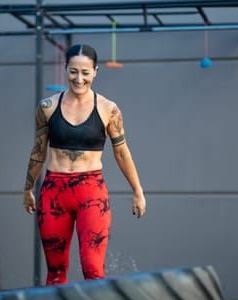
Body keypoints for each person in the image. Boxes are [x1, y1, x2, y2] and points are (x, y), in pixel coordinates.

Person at [23, 43, 146, 285]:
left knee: (92, 268)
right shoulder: (47, 108)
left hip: (91, 192)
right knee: (56, 270)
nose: (79, 79)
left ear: (95, 72)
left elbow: (121, 153)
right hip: (53, 191)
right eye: (73, 71)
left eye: (85, 73)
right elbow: (38, 152)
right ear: (66, 69)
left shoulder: (109, 110)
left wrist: (138, 191)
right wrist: (28, 188)